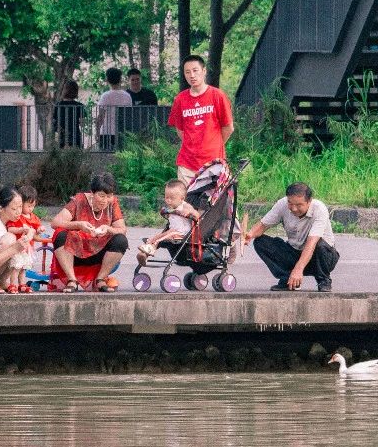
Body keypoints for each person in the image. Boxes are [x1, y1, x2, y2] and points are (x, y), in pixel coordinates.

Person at [243, 182, 338, 292]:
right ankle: (288, 280)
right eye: (290, 203)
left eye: (299, 205)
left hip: (320, 257)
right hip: (295, 251)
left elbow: (311, 243)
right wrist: (249, 235)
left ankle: (324, 280)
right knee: (260, 242)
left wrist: (298, 269)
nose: (293, 208)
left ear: (309, 201)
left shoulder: (319, 209)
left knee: (320, 245)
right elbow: (263, 225)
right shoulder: (282, 204)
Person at [51, 171, 128, 292]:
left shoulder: (112, 203)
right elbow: (55, 222)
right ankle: (72, 280)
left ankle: (100, 279)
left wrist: (108, 229)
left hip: (99, 252)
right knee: (60, 234)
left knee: (120, 240)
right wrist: (79, 225)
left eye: (109, 196)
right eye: (102, 196)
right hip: (76, 252)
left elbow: (122, 229)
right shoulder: (79, 200)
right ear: (92, 193)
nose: (105, 200)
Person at [167, 55, 234, 183]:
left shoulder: (217, 96)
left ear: (204, 71)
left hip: (214, 162)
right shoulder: (180, 99)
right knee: (186, 202)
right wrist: (193, 145)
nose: (192, 75)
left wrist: (214, 144)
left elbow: (228, 127)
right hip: (187, 163)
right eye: (187, 72)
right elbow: (180, 130)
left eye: (195, 70)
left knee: (213, 202)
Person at [136, 178, 200, 266]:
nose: (168, 200)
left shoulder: (185, 206)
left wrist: (190, 212)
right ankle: (144, 254)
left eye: (172, 198)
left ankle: (147, 251)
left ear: (182, 198)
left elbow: (197, 215)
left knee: (160, 239)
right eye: (166, 197)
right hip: (173, 231)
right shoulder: (172, 207)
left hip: (181, 234)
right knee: (158, 236)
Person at [3, 184, 45, 293]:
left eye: (33, 206)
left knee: (23, 268)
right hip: (18, 247)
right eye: (28, 206)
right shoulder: (17, 216)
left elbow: (37, 227)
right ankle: (13, 284)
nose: (31, 209)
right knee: (16, 267)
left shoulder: (33, 217)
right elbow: (10, 229)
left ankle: (22, 284)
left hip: (28, 248)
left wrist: (40, 229)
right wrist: (21, 229)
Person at [95, 67, 133, 152]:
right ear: (120, 80)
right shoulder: (127, 96)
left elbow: (100, 117)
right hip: (122, 133)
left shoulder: (105, 96)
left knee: (105, 160)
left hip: (106, 133)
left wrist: (97, 132)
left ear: (107, 80)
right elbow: (129, 116)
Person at [51, 79, 86, 149]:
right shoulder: (79, 106)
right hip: (75, 136)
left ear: (64, 90)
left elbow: (54, 121)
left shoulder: (58, 105)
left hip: (62, 136)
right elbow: (82, 124)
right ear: (76, 91)